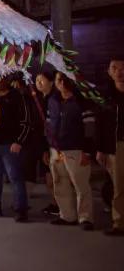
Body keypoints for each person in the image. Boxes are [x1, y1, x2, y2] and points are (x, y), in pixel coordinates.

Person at [47, 73, 95, 231]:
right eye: (58, 79)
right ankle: (67, 215)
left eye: (64, 79)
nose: (61, 83)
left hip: (75, 149)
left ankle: (85, 217)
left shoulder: (81, 101)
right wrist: (48, 147)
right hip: (56, 149)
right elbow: (48, 124)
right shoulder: (53, 100)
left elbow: (89, 127)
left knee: (81, 185)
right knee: (60, 184)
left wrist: (87, 152)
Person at [0, 77, 31, 222]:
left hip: (10, 145)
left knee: (15, 177)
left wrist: (19, 141)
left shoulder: (17, 97)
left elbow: (26, 121)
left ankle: (20, 209)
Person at [97, 57, 124, 236]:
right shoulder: (106, 96)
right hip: (116, 146)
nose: (119, 72)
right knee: (118, 187)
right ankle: (119, 223)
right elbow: (100, 125)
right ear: (109, 72)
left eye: (122, 68)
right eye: (115, 68)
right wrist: (100, 149)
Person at [30, 70, 59, 217]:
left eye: (42, 80)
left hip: (52, 143)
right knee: (49, 178)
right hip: (42, 143)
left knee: (54, 178)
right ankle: (56, 203)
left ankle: (60, 204)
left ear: (51, 82)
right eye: (37, 80)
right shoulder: (39, 99)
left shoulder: (54, 99)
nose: (38, 83)